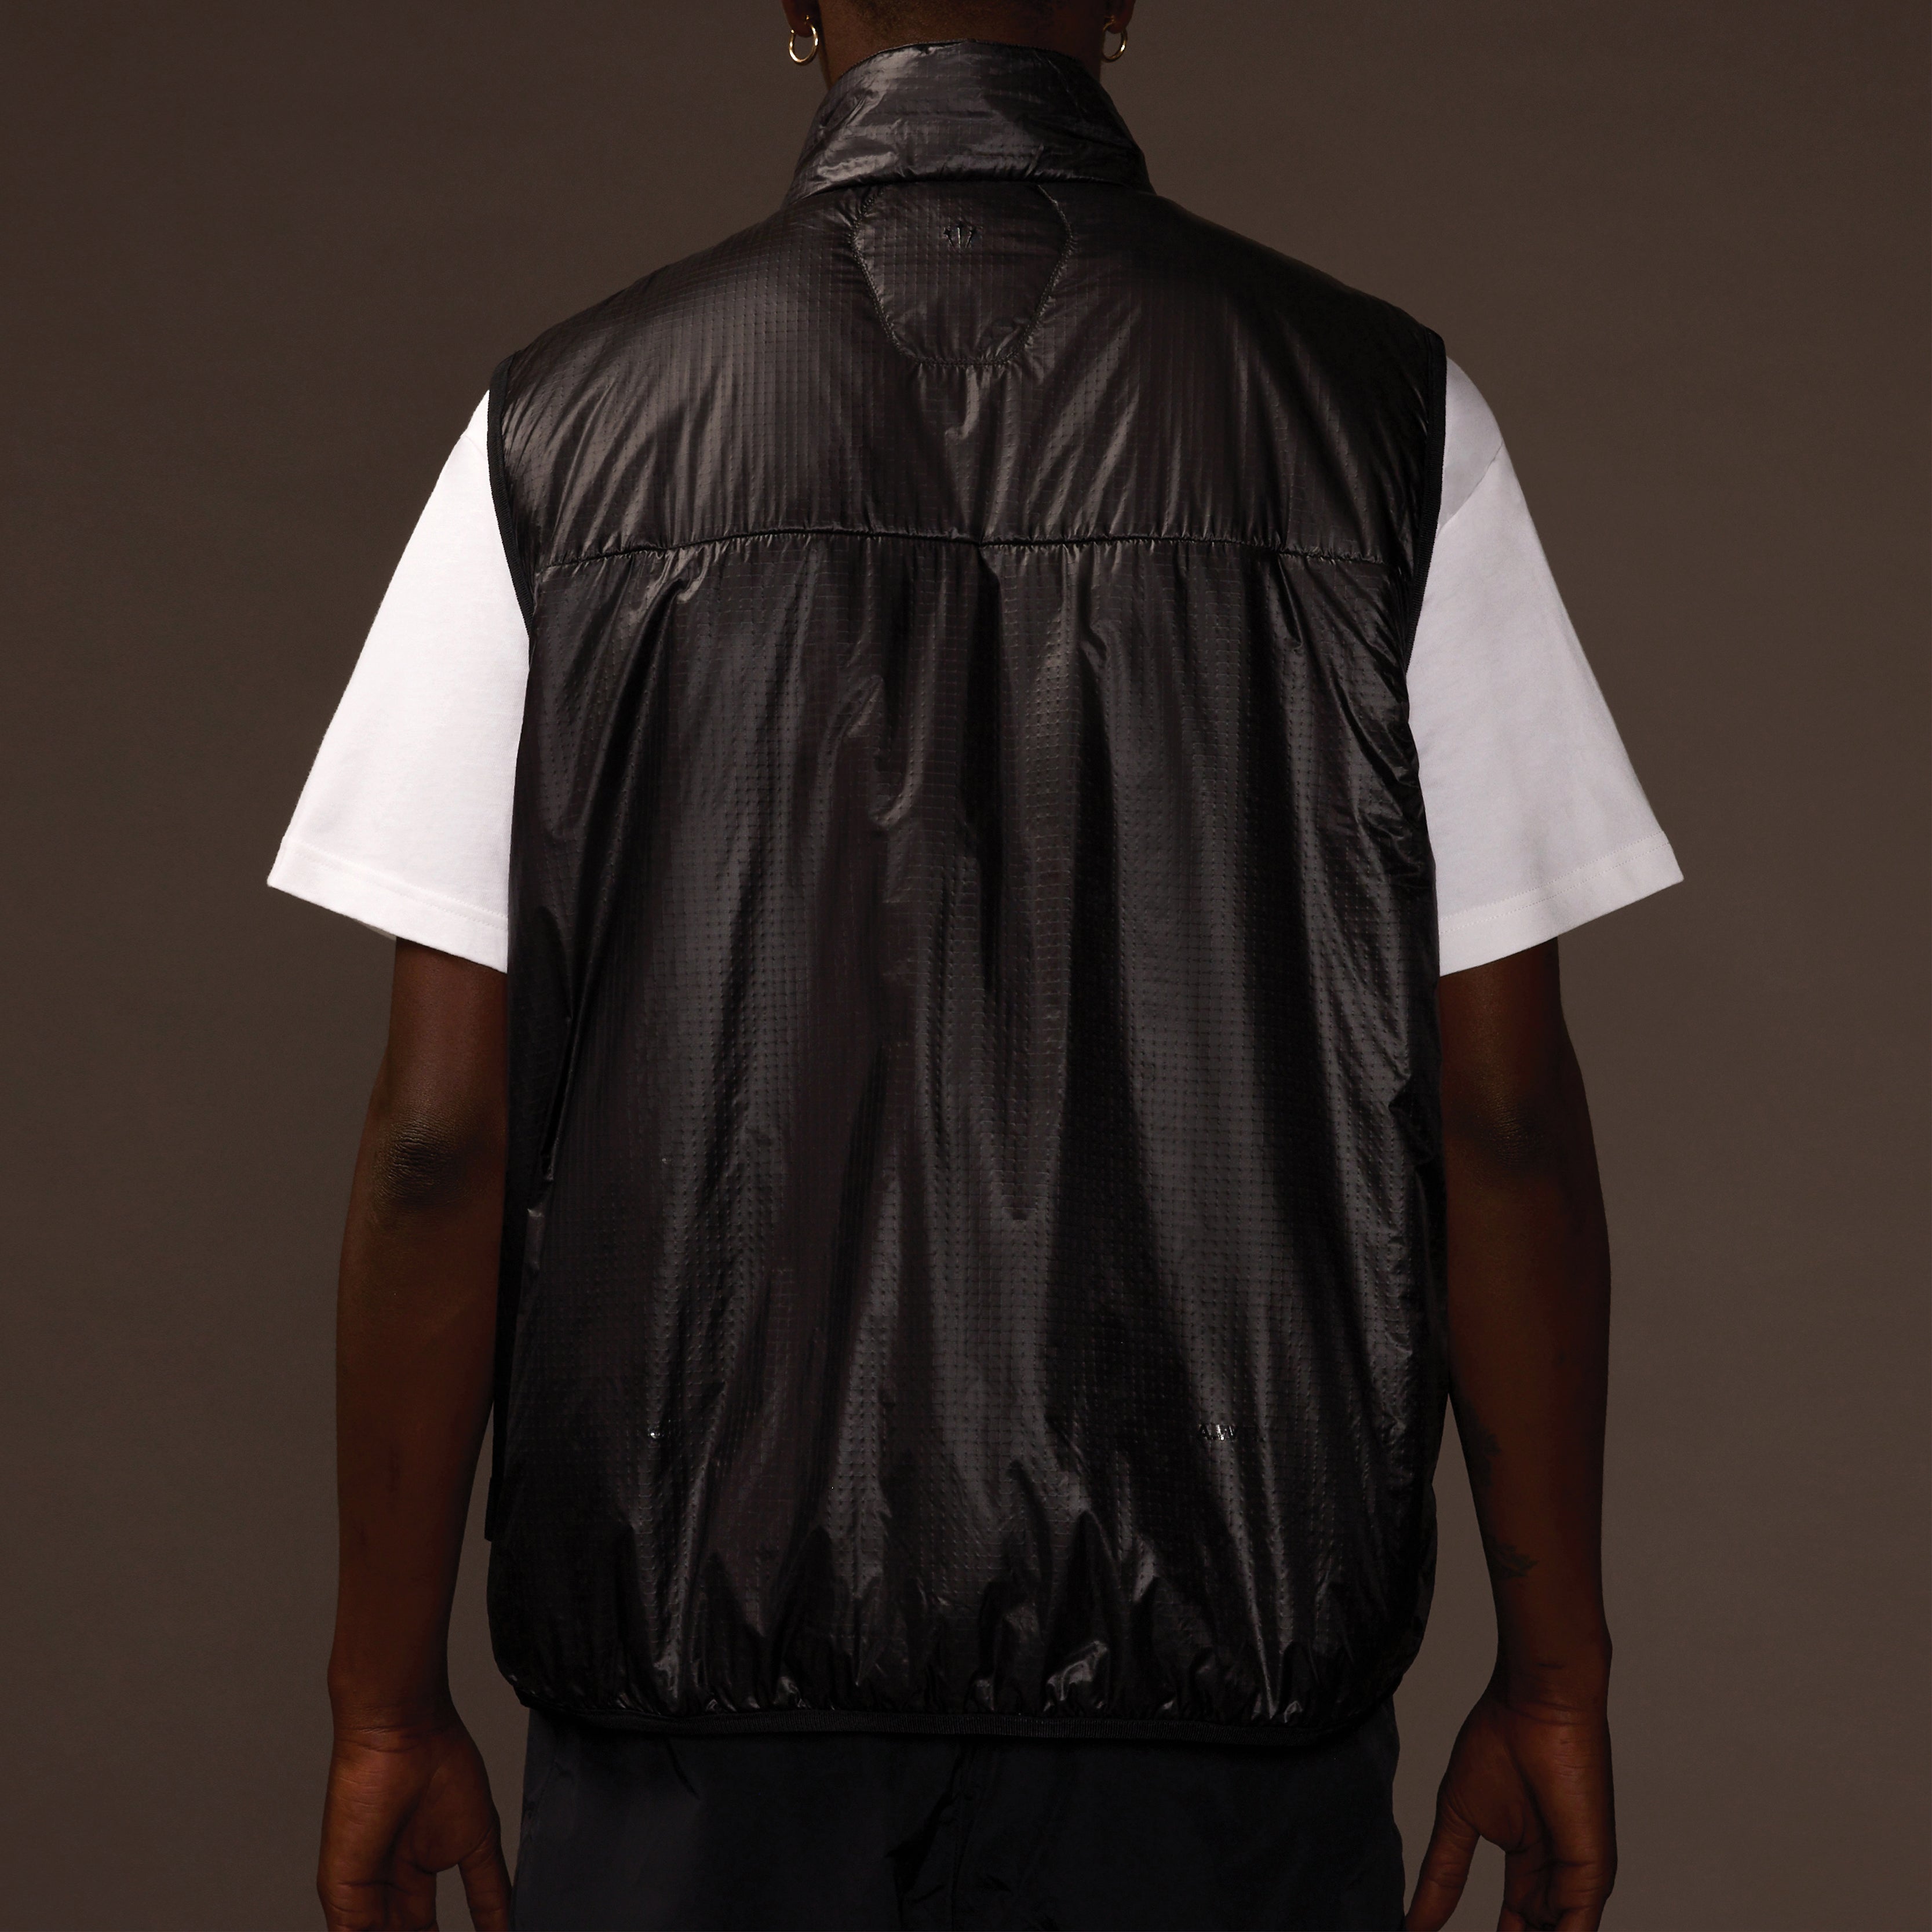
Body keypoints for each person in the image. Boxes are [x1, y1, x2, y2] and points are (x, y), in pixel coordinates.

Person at [278, 4, 1679, 1927]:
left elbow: (444, 1139)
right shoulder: (1386, 424)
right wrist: (1557, 1672)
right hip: (1223, 1736)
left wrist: (382, 1701)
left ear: (793, 5)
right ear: (1123, 1)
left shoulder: (556, 436)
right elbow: (1503, 1117)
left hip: (695, 1747)